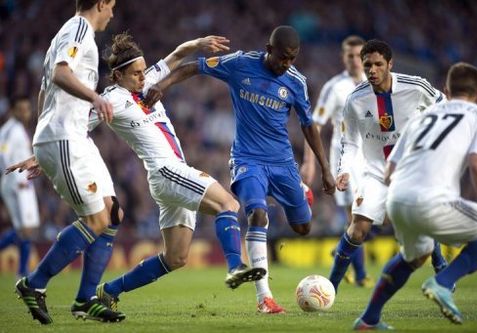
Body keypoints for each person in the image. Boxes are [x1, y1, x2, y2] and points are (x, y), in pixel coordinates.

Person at [144, 25, 336, 314]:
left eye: (292, 59)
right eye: (283, 58)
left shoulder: (296, 82)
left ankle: (302, 192)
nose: (287, 64)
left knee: (303, 227)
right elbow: (194, 67)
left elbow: (308, 125)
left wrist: (325, 169)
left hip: (283, 163)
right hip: (248, 160)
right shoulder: (239, 63)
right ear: (269, 49)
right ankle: (265, 298)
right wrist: (164, 85)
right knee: (256, 214)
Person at [75, 32, 264, 310]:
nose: (143, 77)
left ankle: (109, 291)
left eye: (143, 71)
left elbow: (176, 56)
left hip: (171, 175)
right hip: (166, 171)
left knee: (176, 258)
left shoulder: (146, 82)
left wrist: (198, 44)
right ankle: (236, 265)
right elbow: (79, 126)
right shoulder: (111, 99)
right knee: (228, 203)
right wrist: (42, 155)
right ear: (117, 76)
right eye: (136, 74)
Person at [353, 62, 477, 330]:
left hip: (396, 198)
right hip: (432, 200)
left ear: (446, 89)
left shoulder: (422, 117)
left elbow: (389, 172)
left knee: (415, 256)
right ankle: (443, 282)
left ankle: (368, 320)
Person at [9, 0, 124, 324]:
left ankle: (85, 299)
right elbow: (60, 74)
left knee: (113, 213)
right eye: (111, 6)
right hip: (64, 138)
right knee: (96, 220)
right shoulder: (77, 28)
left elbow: (45, 92)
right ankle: (34, 284)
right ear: (100, 3)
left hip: (71, 137)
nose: (112, 13)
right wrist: (95, 97)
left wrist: (41, 141)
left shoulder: (75, 34)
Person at [329, 39, 448, 293]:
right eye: (368, 65)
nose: (372, 70)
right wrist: (344, 170)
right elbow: (348, 142)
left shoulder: (415, 86)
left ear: (390, 64)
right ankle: (330, 287)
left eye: (378, 64)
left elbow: (444, 106)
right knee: (357, 230)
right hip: (374, 173)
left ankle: (440, 265)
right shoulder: (355, 100)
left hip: (410, 171)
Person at [301, 35, 373, 288]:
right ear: (343, 58)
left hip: (372, 159)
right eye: (350, 56)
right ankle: (362, 274)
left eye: (359, 55)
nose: (355, 60)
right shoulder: (335, 87)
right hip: (345, 160)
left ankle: (342, 250)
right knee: (356, 214)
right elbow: (315, 125)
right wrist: (310, 162)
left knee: (368, 216)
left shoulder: (373, 84)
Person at [0, 96, 40, 278]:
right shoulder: (9, 130)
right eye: (21, 109)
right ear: (14, 110)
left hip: (22, 183)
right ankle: (22, 271)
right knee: (25, 229)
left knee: (25, 229)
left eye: (27, 109)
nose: (25, 113)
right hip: (17, 184)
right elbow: (2, 156)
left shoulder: (19, 129)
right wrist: (17, 182)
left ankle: (22, 271)